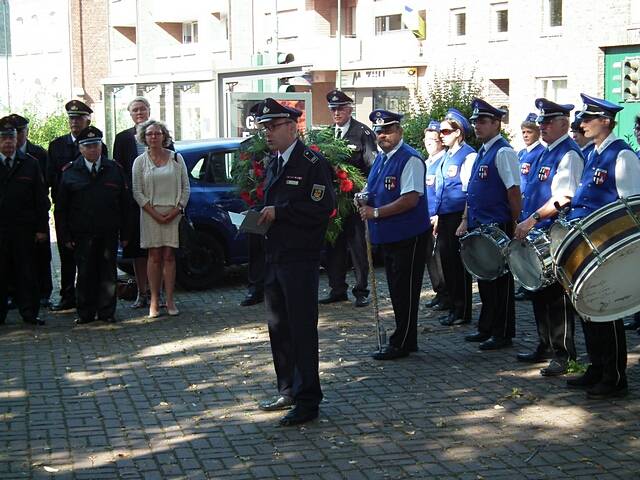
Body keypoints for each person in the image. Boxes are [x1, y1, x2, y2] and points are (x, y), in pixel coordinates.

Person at [253, 98, 335, 426]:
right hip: (275, 256)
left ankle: (308, 399)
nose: (268, 133)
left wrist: (280, 212)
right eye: (265, 128)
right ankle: (286, 388)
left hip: (300, 258)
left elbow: (321, 209)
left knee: (302, 329)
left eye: (273, 127)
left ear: (291, 126)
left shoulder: (311, 162)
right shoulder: (274, 161)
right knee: (278, 327)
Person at [564, 93, 640, 399]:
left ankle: (615, 377)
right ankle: (597, 367)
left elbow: (632, 206)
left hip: (607, 245)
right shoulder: (593, 152)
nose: (582, 124)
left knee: (607, 310)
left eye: (587, 119)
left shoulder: (622, 156)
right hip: (586, 243)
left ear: (605, 122)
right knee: (589, 309)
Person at [513, 98, 584, 376]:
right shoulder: (544, 151)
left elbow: (564, 197)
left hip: (555, 234)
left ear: (564, 124)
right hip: (537, 233)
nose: (542, 126)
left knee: (557, 297)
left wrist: (533, 219)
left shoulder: (568, 154)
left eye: (548, 122)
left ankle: (564, 353)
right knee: (539, 292)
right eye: (541, 122)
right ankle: (545, 344)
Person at [358, 109, 430, 360]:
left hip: (408, 235)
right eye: (378, 131)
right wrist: (364, 197)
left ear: (399, 131)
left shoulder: (410, 159)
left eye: (388, 130)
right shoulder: (382, 158)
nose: (382, 135)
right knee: (397, 289)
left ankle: (403, 341)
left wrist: (375, 213)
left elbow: (410, 199)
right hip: (388, 236)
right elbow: (373, 186)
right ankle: (405, 338)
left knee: (405, 291)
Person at [457, 98, 521, 350]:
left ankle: (502, 332)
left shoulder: (503, 151)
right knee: (484, 278)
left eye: (482, 121)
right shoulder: (483, 151)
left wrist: (515, 223)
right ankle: (487, 327)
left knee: (501, 282)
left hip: (498, 225)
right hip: (480, 225)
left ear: (497, 124)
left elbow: (513, 191)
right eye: (475, 122)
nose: (477, 126)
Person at [55, 126, 129, 324]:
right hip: (82, 233)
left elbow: (125, 203)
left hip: (108, 230)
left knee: (108, 274)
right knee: (85, 272)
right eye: (88, 146)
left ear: (101, 146)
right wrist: (65, 236)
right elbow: (61, 209)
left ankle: (107, 312)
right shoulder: (70, 172)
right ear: (80, 149)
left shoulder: (114, 169)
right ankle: (85, 313)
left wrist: (126, 233)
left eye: (96, 145)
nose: (93, 149)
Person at [48, 100, 108, 312]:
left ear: (87, 120)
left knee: (91, 257)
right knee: (66, 255)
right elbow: (51, 176)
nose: (74, 122)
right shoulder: (57, 145)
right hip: (66, 207)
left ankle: (91, 298)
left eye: (79, 118)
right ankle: (67, 296)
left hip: (90, 210)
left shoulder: (98, 144)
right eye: (71, 118)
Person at [319, 90, 376, 307]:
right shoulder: (326, 134)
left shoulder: (362, 133)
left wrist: (365, 196)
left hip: (354, 199)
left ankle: (361, 290)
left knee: (358, 247)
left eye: (341, 108)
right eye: (333, 109)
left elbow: (372, 167)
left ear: (350, 109)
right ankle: (337, 288)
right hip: (332, 201)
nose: (336, 113)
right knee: (334, 246)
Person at [132, 120, 190, 319]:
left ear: (164, 136)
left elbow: (186, 188)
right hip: (150, 214)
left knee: (169, 257)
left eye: (157, 133)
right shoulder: (139, 161)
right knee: (154, 257)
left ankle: (170, 300)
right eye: (149, 134)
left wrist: (177, 209)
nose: (154, 137)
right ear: (144, 138)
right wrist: (154, 213)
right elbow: (137, 192)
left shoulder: (176, 158)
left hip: (173, 214)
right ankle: (154, 301)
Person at [0, 117, 49, 326]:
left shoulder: (30, 163)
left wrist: (40, 228)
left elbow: (40, 199)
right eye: (3, 139)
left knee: (27, 272)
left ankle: (29, 312)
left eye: (11, 138)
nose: (8, 142)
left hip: (24, 229)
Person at [433, 108, 475, 326]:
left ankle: (463, 310)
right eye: (441, 131)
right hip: (445, 215)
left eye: (447, 131)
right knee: (448, 263)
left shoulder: (468, 155)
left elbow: (469, 191)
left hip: (458, 215)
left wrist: (465, 220)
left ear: (459, 133)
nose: (442, 135)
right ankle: (453, 307)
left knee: (458, 266)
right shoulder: (446, 155)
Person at [113, 97, 154, 309]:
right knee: (138, 251)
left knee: (158, 250)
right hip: (133, 204)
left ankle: (159, 294)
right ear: (130, 114)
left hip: (158, 201)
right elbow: (118, 171)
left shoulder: (160, 133)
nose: (139, 113)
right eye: (135, 110)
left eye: (142, 109)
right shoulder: (122, 138)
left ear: (149, 111)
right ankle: (142, 292)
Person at [10, 113, 52, 308]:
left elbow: (44, 186)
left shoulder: (38, 154)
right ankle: (12, 295)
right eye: (12, 133)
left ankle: (43, 293)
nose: (16, 136)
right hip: (9, 218)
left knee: (40, 256)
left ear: (26, 132)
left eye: (20, 131)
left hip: (34, 213)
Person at [422, 120, 449, 311]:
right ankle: (439, 291)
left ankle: (447, 294)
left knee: (440, 258)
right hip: (425, 217)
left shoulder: (444, 161)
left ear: (440, 141)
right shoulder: (425, 163)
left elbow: (444, 191)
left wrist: (438, 215)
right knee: (430, 258)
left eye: (433, 139)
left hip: (438, 217)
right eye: (426, 139)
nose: (428, 143)